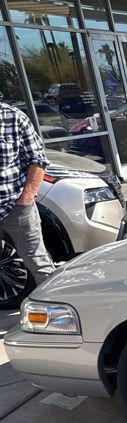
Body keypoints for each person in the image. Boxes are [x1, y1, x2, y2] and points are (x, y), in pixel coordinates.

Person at [0, 99, 54, 286]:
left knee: (39, 264)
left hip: (15, 205)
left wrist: (26, 198)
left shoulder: (14, 117)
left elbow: (38, 159)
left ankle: (57, 308)